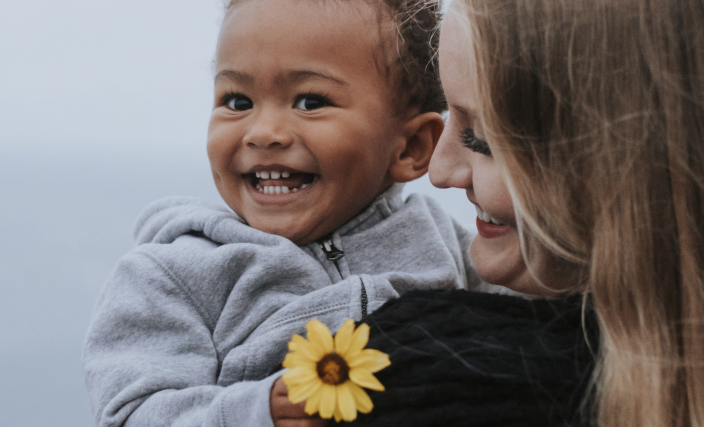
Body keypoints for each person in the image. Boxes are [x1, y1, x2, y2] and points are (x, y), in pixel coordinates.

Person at [348, 0, 704, 426]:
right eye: (450, 116)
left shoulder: (426, 380)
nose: (440, 169)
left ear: (622, 168)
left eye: (484, 138)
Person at [82, 1, 507, 426]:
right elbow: (131, 414)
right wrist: (254, 410)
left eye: (309, 101)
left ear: (411, 147)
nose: (263, 132)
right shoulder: (172, 276)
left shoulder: (446, 243)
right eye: (237, 100)